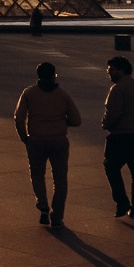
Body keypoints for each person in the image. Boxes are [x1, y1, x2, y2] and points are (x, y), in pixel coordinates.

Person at [14, 62, 81, 228]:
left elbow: (19, 118)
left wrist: (25, 138)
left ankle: (43, 206)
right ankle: (57, 216)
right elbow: (76, 120)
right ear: (54, 75)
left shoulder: (29, 93)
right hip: (58, 140)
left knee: (37, 174)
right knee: (60, 179)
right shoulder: (62, 95)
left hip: (36, 140)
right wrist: (61, 121)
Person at [102, 56, 134, 220]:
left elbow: (113, 114)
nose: (109, 74)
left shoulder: (117, 89)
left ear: (121, 70)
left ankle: (122, 201)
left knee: (111, 167)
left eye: (111, 70)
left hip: (121, 137)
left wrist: (106, 124)